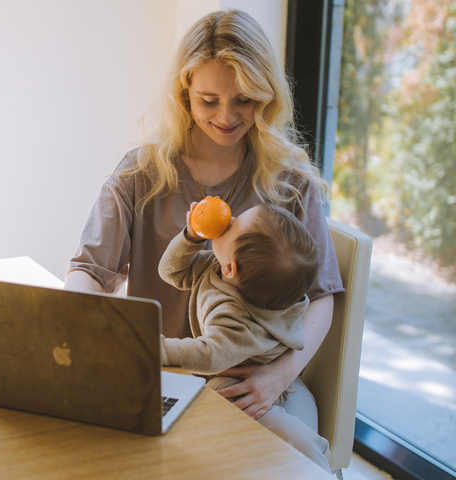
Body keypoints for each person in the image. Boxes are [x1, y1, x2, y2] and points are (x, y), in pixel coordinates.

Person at [65, 8, 343, 470]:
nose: (227, 117)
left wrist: (277, 376)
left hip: (254, 384)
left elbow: (321, 297)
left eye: (245, 100)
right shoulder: (141, 173)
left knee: (289, 462)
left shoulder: (291, 182)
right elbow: (88, 272)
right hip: (160, 376)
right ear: (184, 93)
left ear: (266, 96)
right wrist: (91, 334)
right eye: (209, 100)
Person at [158, 202, 318, 407]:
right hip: (225, 363)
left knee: (219, 392)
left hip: (247, 381)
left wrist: (157, 348)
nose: (229, 220)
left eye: (233, 225)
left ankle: (282, 429)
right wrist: (191, 237)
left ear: (230, 269)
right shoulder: (220, 267)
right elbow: (171, 272)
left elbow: (208, 355)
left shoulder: (237, 322)